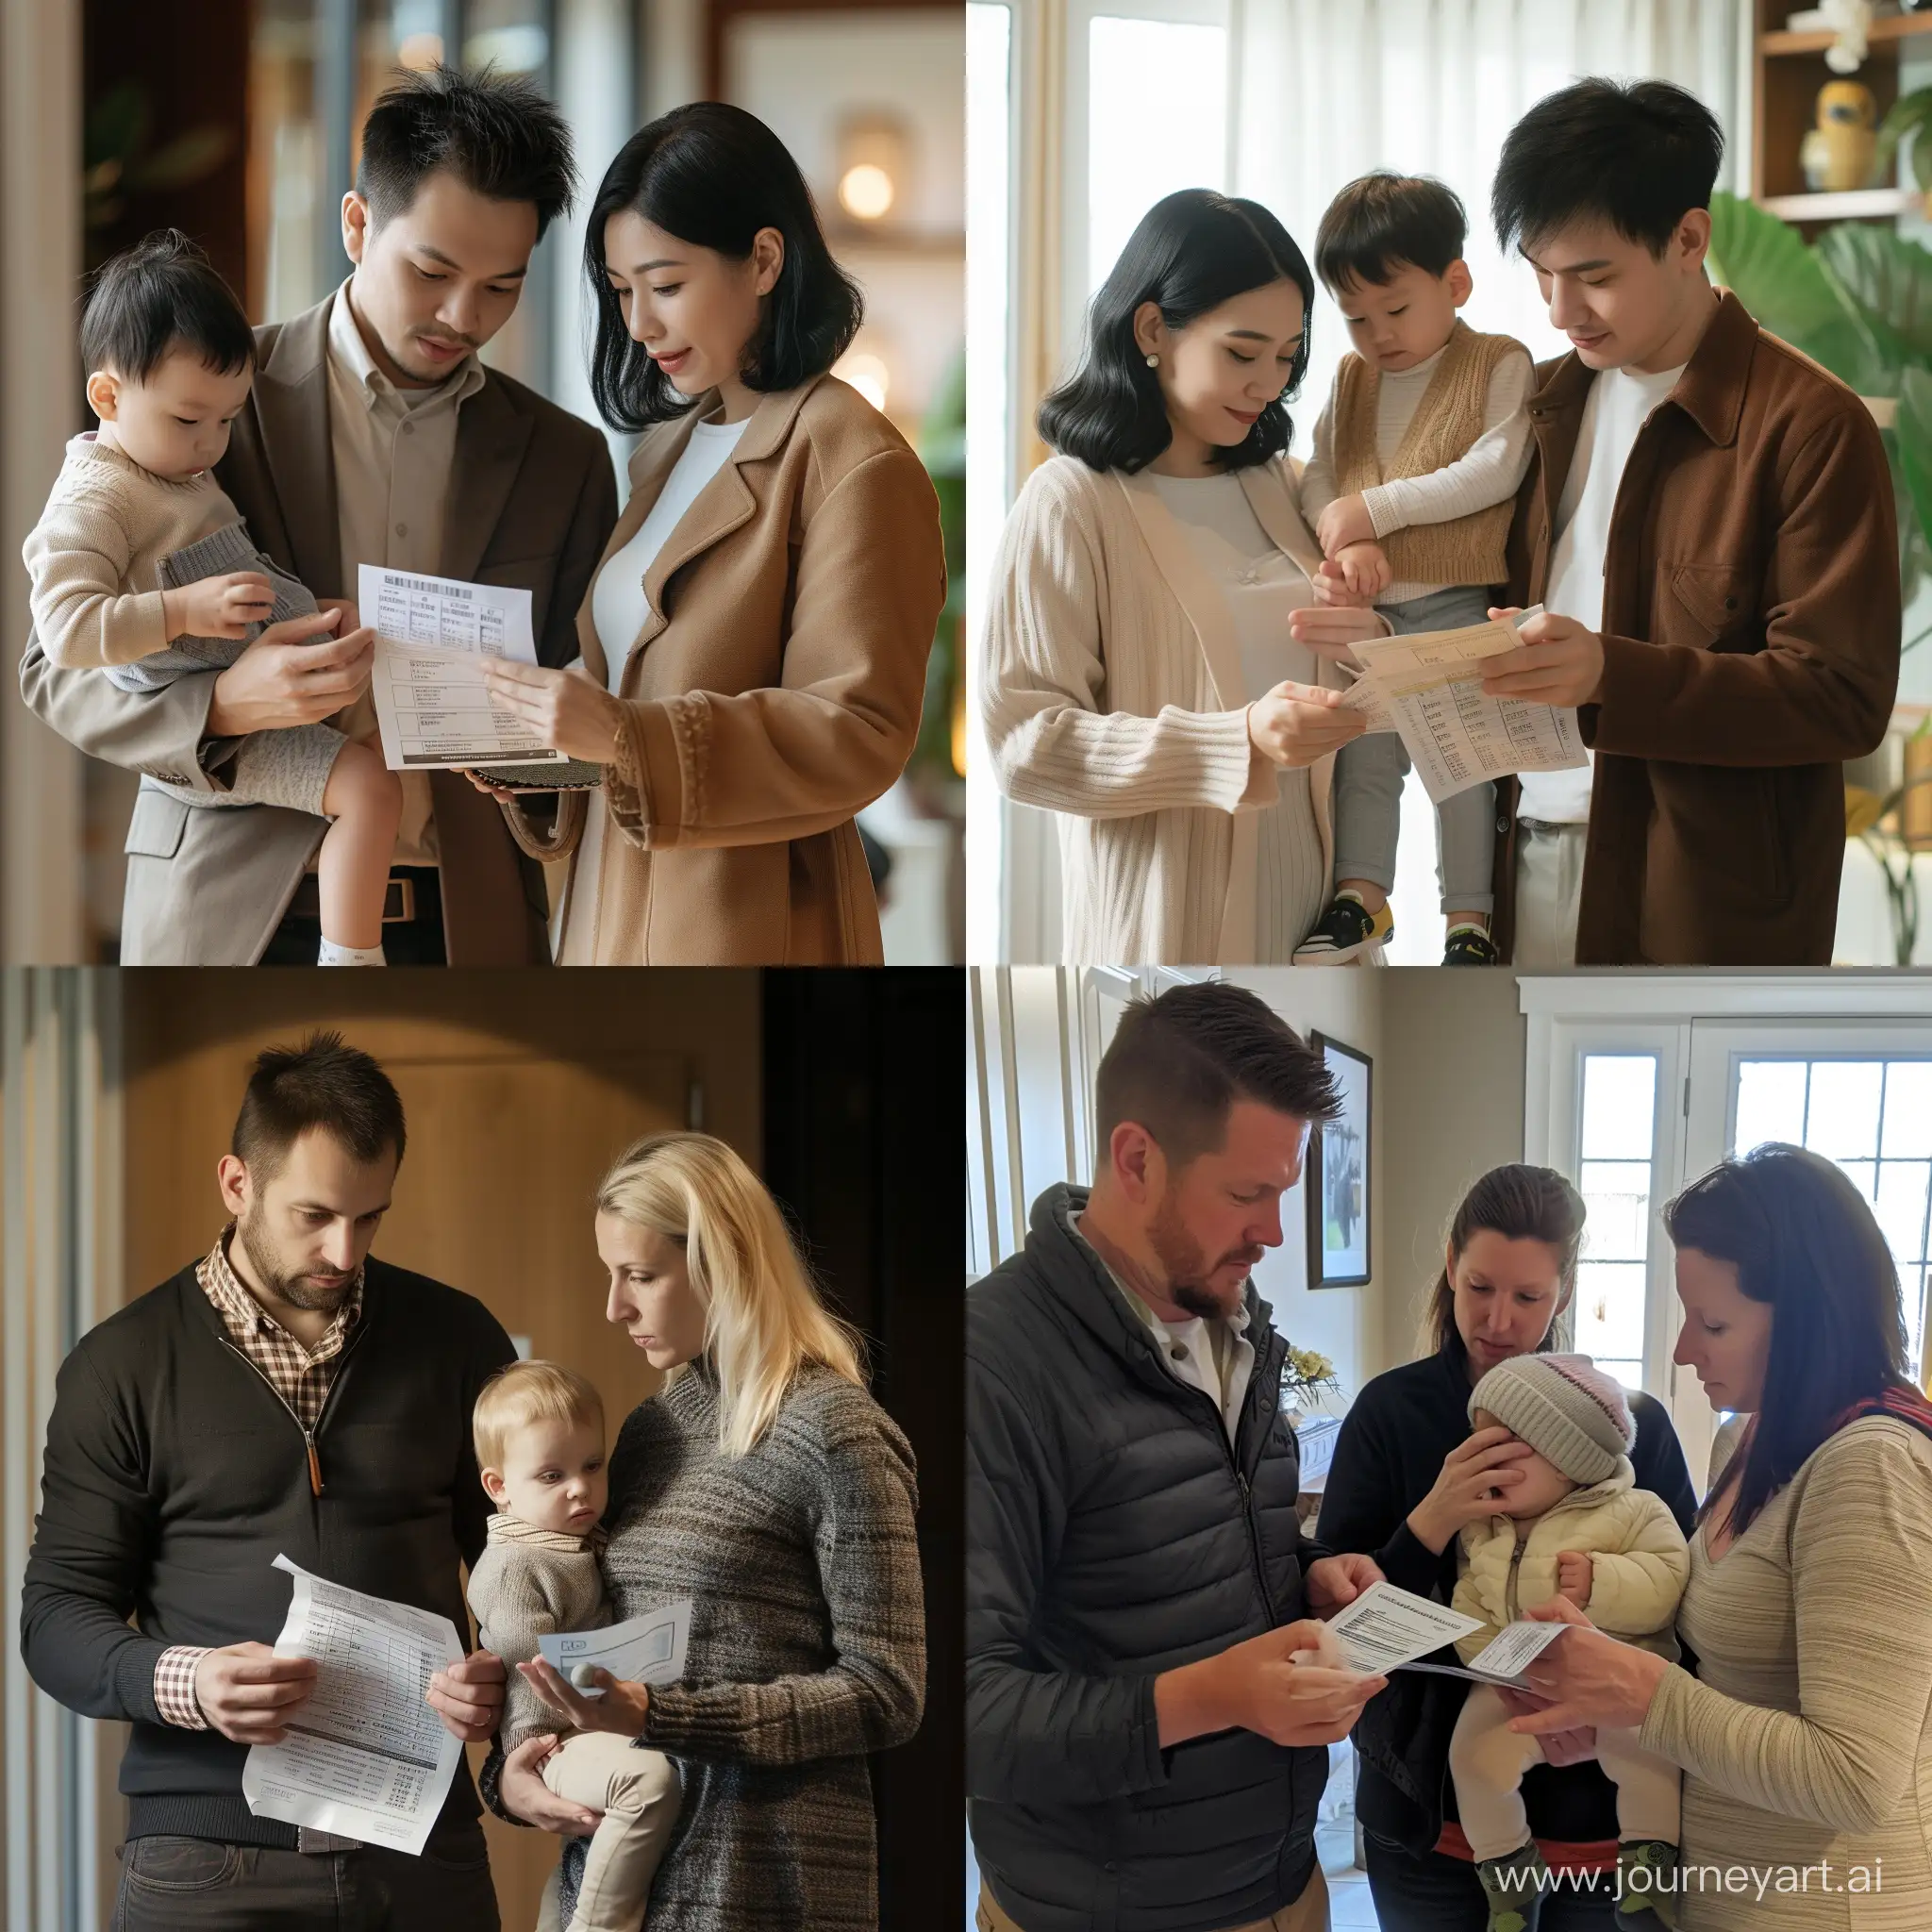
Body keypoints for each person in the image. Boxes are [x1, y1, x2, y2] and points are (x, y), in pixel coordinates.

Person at [18, 64, 619, 965]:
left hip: (467, 930)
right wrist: (222, 704)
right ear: (356, 224)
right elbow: (52, 668)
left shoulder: (564, 460)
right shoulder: (205, 403)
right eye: (432, 270)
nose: (464, 315)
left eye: (502, 286)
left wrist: (536, 767)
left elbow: (585, 718)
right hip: (221, 913)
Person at [19, 1033, 516, 1930]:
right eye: (315, 1214)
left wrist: (505, 1675)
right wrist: (187, 1680)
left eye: (371, 1218)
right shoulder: (120, 1366)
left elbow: (527, 1569)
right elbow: (56, 1619)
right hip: (205, 1860)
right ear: (237, 1183)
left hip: (422, 1849)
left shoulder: (459, 1338)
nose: (344, 1249)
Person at [472, 102, 946, 964]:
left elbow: (860, 730)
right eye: (621, 293)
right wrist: (539, 745)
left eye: (667, 284)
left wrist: (622, 735)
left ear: (764, 260)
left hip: (744, 922)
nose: (641, 324)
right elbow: (625, 677)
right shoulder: (668, 449)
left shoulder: (852, 459)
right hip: (607, 907)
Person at [968, 981, 1390, 1932]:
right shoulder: (989, 1364)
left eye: (1282, 1192)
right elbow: (963, 1713)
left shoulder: (1238, 1328)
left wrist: (1309, 1574)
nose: (1273, 1232)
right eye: (1246, 1194)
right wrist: (1210, 1696)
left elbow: (1182, 1551)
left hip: (1283, 1886)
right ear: (1134, 1159)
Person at [1477, 78, 1898, 965]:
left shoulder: (1809, 425)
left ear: (1688, 239)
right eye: (1542, 274)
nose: (1561, 311)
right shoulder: (1540, 403)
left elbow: (1841, 699)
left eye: (1594, 277)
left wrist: (1608, 674)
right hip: (1521, 860)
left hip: (1700, 899)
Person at [482, 1131, 925, 1929]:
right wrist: (513, 1773)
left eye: (640, 1276)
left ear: (723, 1262)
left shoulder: (836, 1433)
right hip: (623, 1892)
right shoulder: (653, 1431)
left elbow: (888, 1693)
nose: (614, 1306)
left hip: (763, 1890)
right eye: (610, 1275)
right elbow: (598, 1646)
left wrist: (665, 1716)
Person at [1500, 1146, 1932, 1930]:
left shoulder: (1873, 1468)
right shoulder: (1747, 1441)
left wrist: (1642, 1692)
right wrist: (1610, 1715)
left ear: (1807, 1319)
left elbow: (1856, 1778)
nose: (1683, 1351)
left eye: (1715, 1323)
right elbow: (1729, 1698)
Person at [978, 189, 1400, 963]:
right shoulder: (1072, 503)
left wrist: (1374, 641)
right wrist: (1235, 739)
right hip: (1166, 933)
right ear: (1152, 330)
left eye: (1285, 357)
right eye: (1242, 353)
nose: (1269, 385)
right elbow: (1023, 744)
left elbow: (1353, 698)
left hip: (1321, 936)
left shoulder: (1287, 484)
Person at [1316, 1163, 1697, 1930]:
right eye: (1479, 1287)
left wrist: (1600, 1709)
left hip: (1596, 1817)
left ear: (1563, 1293)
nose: (1498, 1321)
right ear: (1451, 1265)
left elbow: (1684, 1610)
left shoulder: (1632, 1427)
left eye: (1528, 1298)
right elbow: (1335, 1627)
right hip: (1426, 1811)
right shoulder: (1390, 1413)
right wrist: (1433, 1518)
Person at [25, 230, 403, 965]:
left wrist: (314, 616)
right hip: (219, 728)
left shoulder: (171, 468)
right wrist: (182, 612)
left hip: (278, 674)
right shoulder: (96, 498)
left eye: (228, 420)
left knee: (392, 750)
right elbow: (65, 633)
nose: (211, 444)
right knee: (369, 790)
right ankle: (353, 961)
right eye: (189, 419)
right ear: (107, 394)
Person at [1294, 173, 1534, 967]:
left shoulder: (1497, 361)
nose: (1378, 334)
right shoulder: (1353, 377)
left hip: (1458, 603)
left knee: (1462, 765)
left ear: (1455, 283)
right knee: (1364, 754)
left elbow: (1493, 469)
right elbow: (1323, 476)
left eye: (1395, 310)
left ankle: (1468, 917)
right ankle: (1363, 898)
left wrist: (1375, 513)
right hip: (1371, 615)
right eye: (1356, 318)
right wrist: (1345, 535)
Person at [1446, 1355, 1688, 1931]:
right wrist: (1488, 1658)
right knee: (1474, 1760)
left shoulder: (1634, 1510)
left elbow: (1669, 1581)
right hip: (1518, 1682)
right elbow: (1469, 1599)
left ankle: (1649, 1880)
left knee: (1653, 1758)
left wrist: (1601, 1582)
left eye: (1505, 1446)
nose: (1487, 1460)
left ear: (1570, 1454)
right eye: (1480, 1443)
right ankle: (1509, 1875)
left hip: (1621, 1677)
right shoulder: (1483, 1523)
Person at [467, 1360, 680, 1932]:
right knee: (649, 1783)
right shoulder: (518, 1561)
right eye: (551, 1476)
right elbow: (525, 1649)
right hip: (550, 1738)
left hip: (588, 1726)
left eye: (592, 1465)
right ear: (499, 1487)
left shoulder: (575, 1542)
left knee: (591, 1846)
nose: (580, 1488)